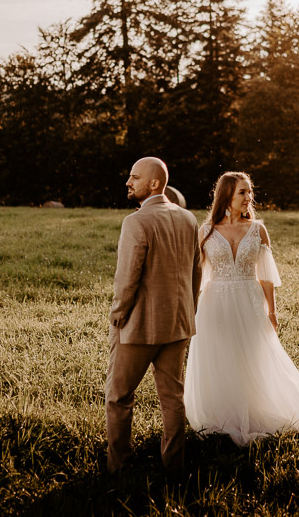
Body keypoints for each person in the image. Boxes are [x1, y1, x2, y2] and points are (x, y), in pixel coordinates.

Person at [184, 171, 299, 445]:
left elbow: (266, 276)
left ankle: (255, 410)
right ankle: (224, 415)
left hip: (249, 300)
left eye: (250, 191)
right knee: (220, 358)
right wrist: (190, 310)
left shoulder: (258, 230)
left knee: (254, 357)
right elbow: (195, 275)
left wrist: (272, 311)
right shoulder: (206, 231)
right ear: (227, 196)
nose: (249, 197)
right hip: (215, 303)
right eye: (242, 192)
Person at [106, 157, 202, 474]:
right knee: (173, 399)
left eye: (134, 177)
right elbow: (196, 272)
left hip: (139, 327)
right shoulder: (188, 218)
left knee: (119, 397)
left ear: (154, 183)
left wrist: (118, 314)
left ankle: (119, 468)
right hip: (178, 324)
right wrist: (189, 311)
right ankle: (174, 468)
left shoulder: (136, 222)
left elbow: (127, 278)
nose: (128, 182)